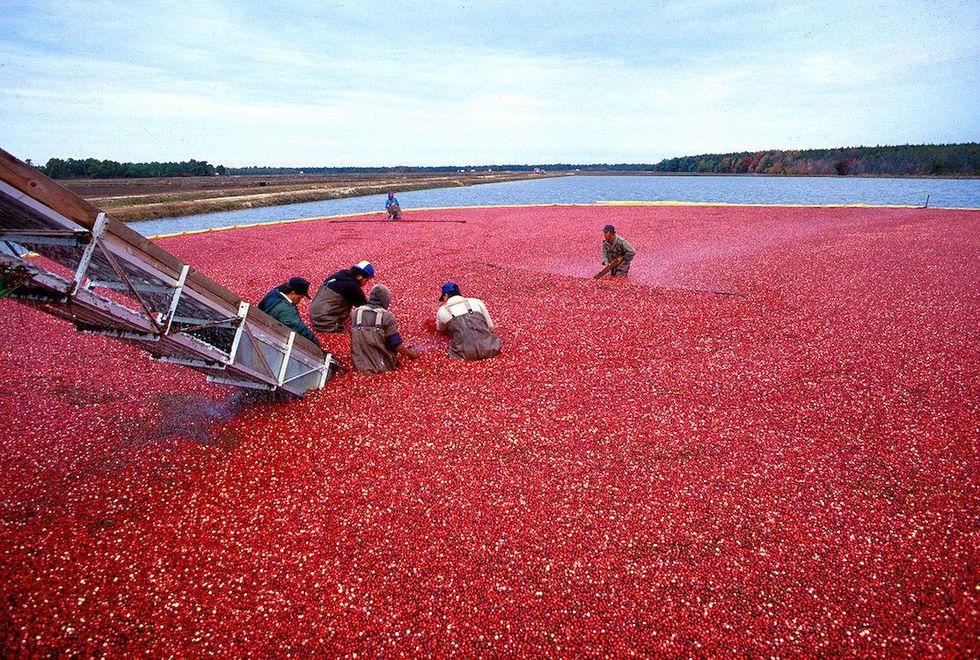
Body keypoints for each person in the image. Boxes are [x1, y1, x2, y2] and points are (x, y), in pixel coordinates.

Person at [350, 284, 418, 374]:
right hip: (381, 366)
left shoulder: (356, 313)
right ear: (385, 300)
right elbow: (395, 344)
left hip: (359, 365)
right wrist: (410, 354)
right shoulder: (387, 317)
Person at [435, 282, 501, 361]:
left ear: (445, 296)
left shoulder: (441, 311)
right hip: (490, 349)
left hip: (463, 354)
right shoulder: (477, 302)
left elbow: (440, 330)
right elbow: (491, 327)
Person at [310, 260, 375, 333]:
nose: (366, 283)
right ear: (360, 276)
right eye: (366, 280)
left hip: (314, 314)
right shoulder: (352, 286)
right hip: (324, 323)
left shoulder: (341, 274)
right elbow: (364, 306)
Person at [257, 276, 321, 347]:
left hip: (265, 326)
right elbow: (298, 327)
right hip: (271, 336)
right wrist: (316, 343)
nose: (299, 301)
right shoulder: (285, 309)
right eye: (299, 298)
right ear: (292, 293)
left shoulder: (275, 292)